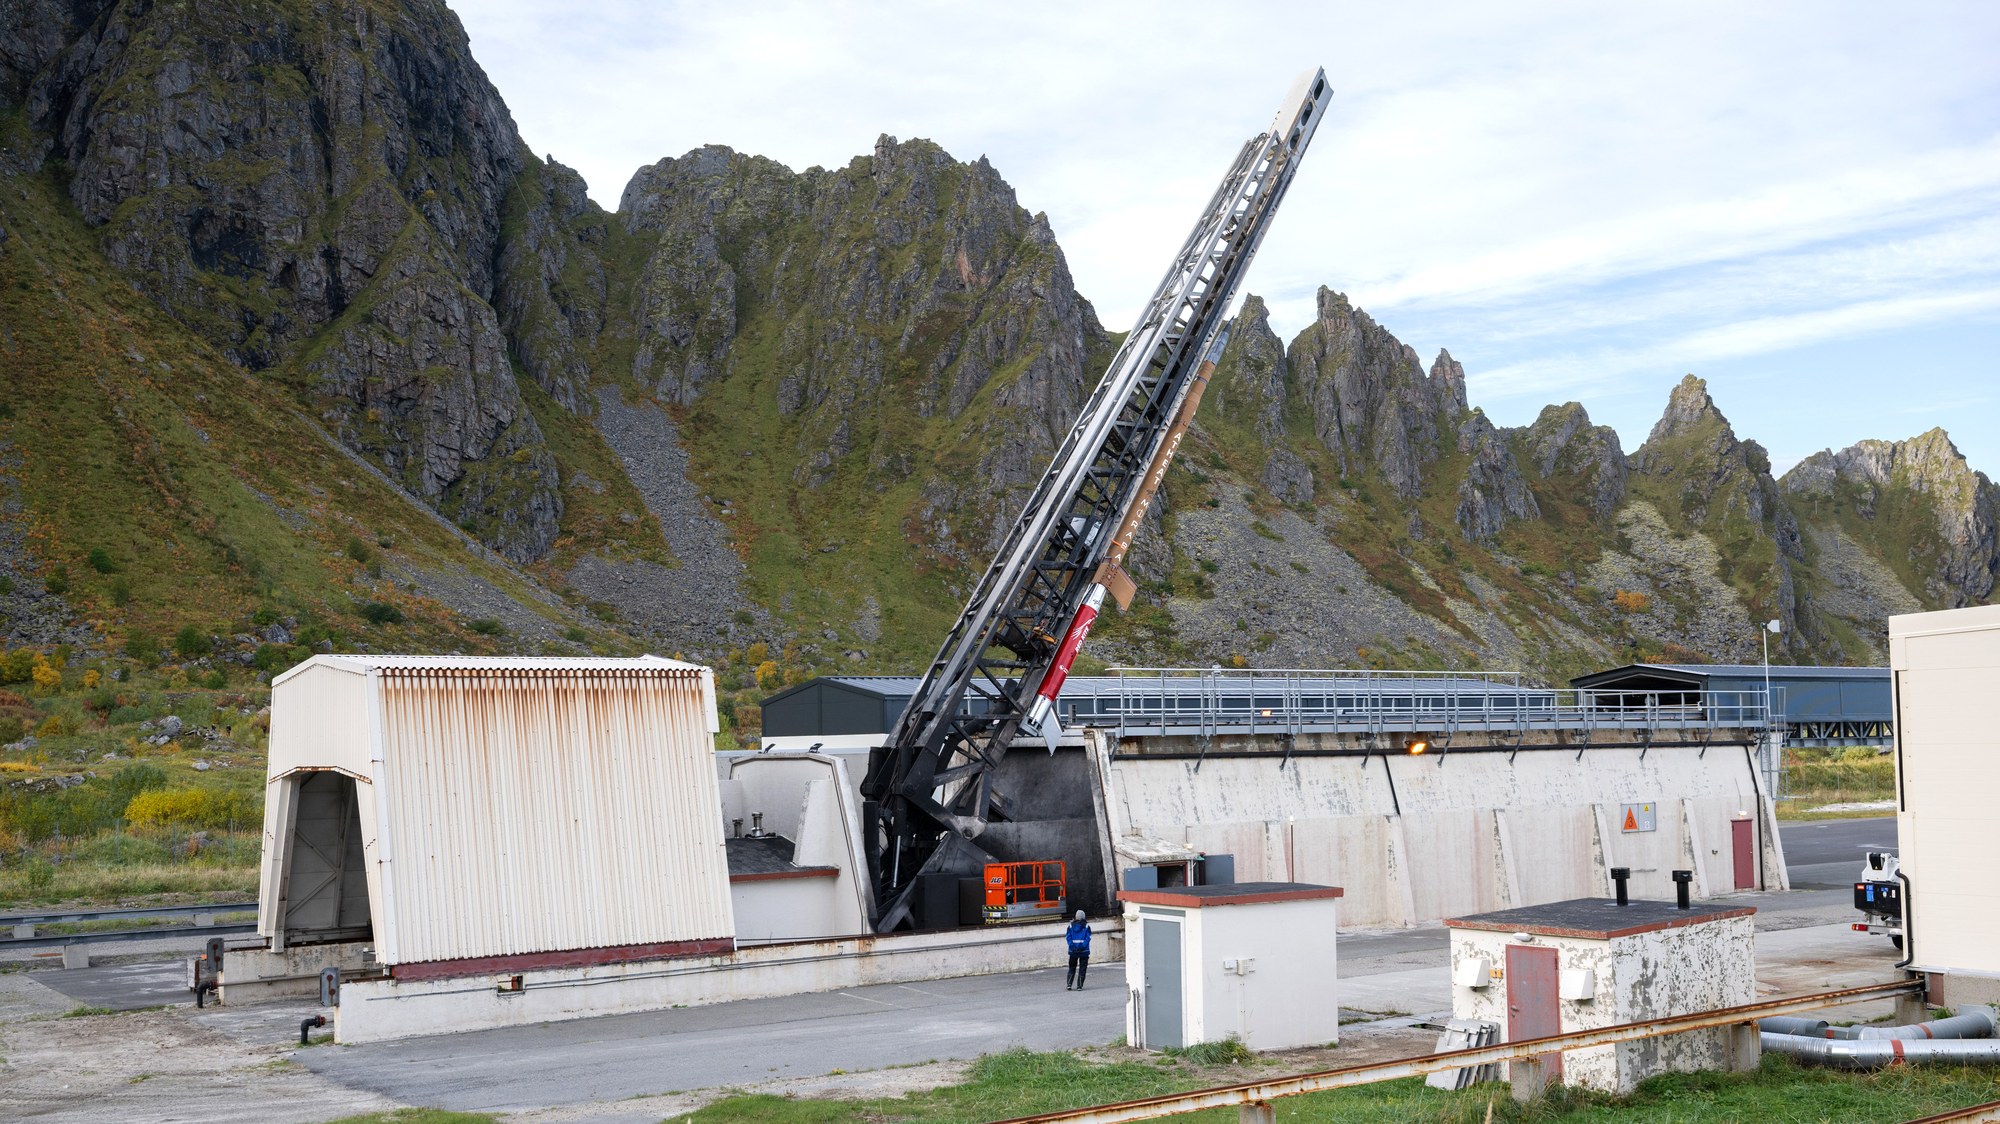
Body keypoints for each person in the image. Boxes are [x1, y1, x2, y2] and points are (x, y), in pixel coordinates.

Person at [1064, 909, 1091, 990]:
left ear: (1076, 917)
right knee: (1082, 968)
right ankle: (1079, 986)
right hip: (1084, 951)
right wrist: (1082, 946)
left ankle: (1069, 984)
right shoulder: (1086, 926)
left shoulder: (1070, 926)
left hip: (1073, 951)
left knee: (1072, 967)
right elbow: (1088, 938)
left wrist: (1072, 947)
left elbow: (1068, 937)